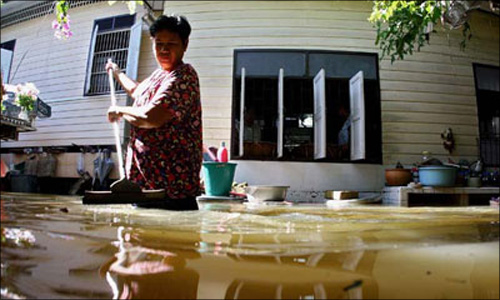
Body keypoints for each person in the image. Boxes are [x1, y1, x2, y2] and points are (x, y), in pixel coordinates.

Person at [105, 14, 202, 210]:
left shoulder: (183, 76)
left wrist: (119, 110)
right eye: (159, 44)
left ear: (185, 44)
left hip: (172, 192)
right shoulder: (159, 76)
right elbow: (136, 90)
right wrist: (117, 73)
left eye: (171, 44)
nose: (164, 50)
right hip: (144, 186)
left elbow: (151, 117)